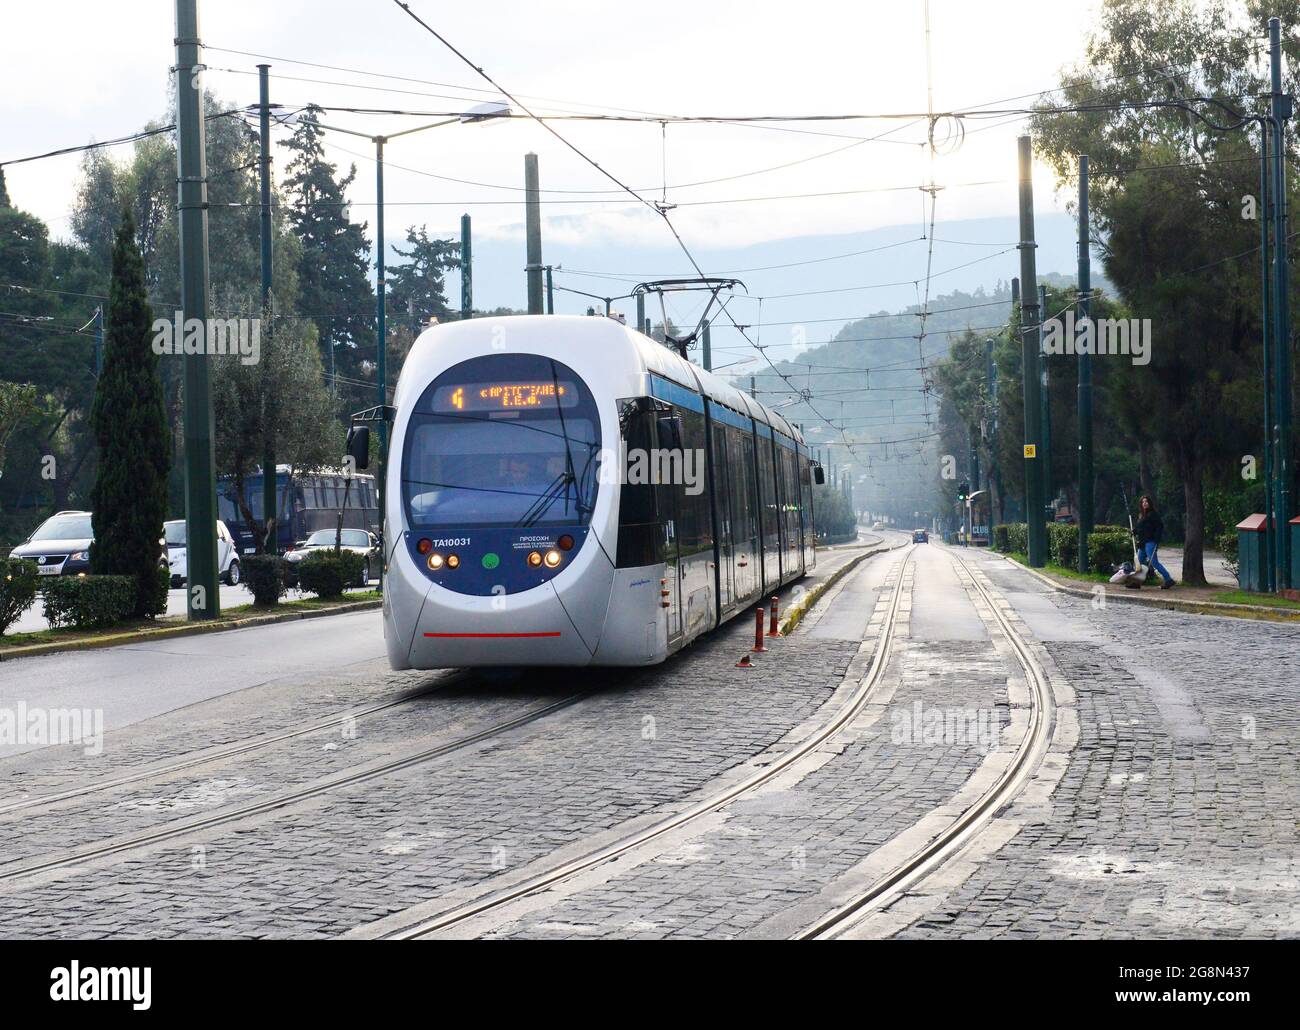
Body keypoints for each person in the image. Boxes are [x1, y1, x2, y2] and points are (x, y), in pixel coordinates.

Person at [1134, 495, 1175, 589]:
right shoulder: (1141, 515)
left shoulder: (1153, 514)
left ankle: (1168, 579)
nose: (1144, 503)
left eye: (1146, 501)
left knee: (1154, 563)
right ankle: (1136, 582)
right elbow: (1140, 528)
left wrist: (1157, 540)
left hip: (1150, 542)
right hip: (1142, 543)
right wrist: (1134, 531)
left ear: (1149, 503)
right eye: (1143, 502)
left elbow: (1159, 527)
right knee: (1138, 563)